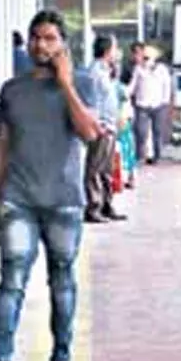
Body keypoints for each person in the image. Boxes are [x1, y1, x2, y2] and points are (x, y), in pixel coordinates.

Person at [0, 10, 102, 361]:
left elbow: (89, 133)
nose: (40, 44)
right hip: (19, 199)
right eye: (36, 37)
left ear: (63, 44)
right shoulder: (12, 90)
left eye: (50, 38)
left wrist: (66, 84)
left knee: (62, 282)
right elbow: (1, 145)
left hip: (64, 201)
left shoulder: (83, 81)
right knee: (12, 281)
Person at [83, 35, 127, 223]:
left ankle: (107, 204)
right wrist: (98, 124)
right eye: (115, 48)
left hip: (110, 125)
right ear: (108, 50)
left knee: (107, 169)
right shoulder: (94, 73)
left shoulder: (106, 71)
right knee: (95, 168)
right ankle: (93, 207)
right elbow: (92, 100)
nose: (117, 53)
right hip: (101, 127)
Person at [130, 45, 173, 165]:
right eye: (143, 57)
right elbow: (133, 85)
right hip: (142, 103)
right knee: (141, 131)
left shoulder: (162, 69)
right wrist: (127, 94)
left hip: (158, 104)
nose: (144, 60)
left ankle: (157, 156)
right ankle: (140, 156)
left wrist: (165, 101)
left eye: (147, 58)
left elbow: (167, 86)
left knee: (158, 131)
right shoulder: (138, 69)